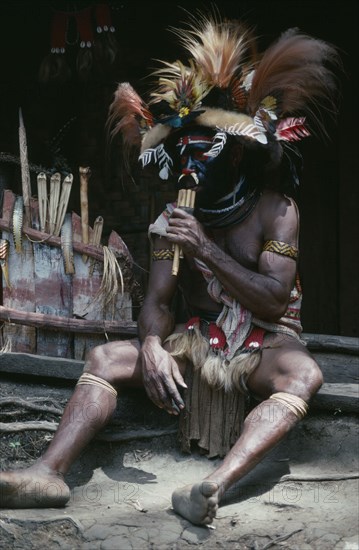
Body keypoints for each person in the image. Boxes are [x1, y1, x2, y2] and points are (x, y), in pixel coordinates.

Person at [0, 13, 340, 526]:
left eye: (206, 143)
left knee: (306, 374)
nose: (191, 156)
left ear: (239, 151)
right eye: (184, 144)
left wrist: (204, 248)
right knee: (107, 357)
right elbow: (158, 304)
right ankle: (48, 471)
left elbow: (272, 299)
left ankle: (211, 487)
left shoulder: (278, 210)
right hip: (198, 339)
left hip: (267, 340)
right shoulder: (172, 218)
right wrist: (155, 346)